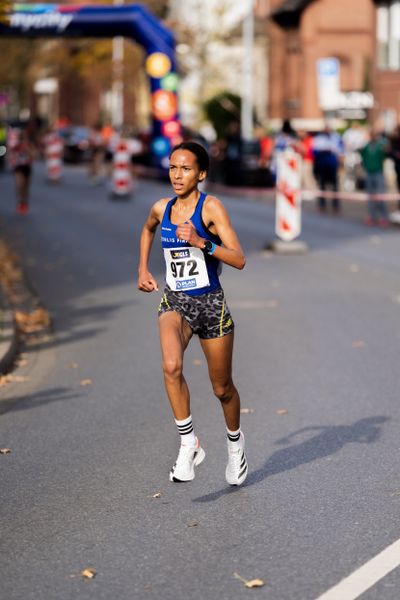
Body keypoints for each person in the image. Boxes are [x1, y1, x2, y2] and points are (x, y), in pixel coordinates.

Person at [137, 141, 248, 486]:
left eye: (185, 169)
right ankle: (189, 443)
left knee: (222, 388)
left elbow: (239, 259)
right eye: (173, 167)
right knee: (171, 366)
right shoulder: (161, 207)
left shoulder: (211, 208)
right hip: (176, 301)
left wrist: (203, 243)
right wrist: (142, 268)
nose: (177, 174)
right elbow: (148, 229)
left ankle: (235, 446)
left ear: (200, 174)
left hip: (211, 305)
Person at [358, 130, 390, 226]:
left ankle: (383, 217)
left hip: (378, 172)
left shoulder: (380, 146)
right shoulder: (366, 147)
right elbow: (362, 156)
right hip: (369, 172)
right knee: (371, 196)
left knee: (380, 195)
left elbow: (385, 155)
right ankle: (372, 216)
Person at [312, 126, 343, 213]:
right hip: (322, 166)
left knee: (335, 186)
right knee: (322, 186)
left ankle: (335, 205)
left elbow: (340, 151)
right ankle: (322, 205)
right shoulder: (318, 139)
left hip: (332, 165)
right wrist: (324, 151)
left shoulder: (336, 137)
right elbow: (314, 151)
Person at [9, 129, 34, 214]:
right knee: (20, 184)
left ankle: (24, 203)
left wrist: (29, 151)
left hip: (27, 167)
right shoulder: (16, 146)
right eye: (22, 138)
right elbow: (11, 155)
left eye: (25, 138)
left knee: (26, 188)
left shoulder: (29, 145)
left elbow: (34, 155)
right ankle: (19, 202)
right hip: (19, 167)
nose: (24, 140)